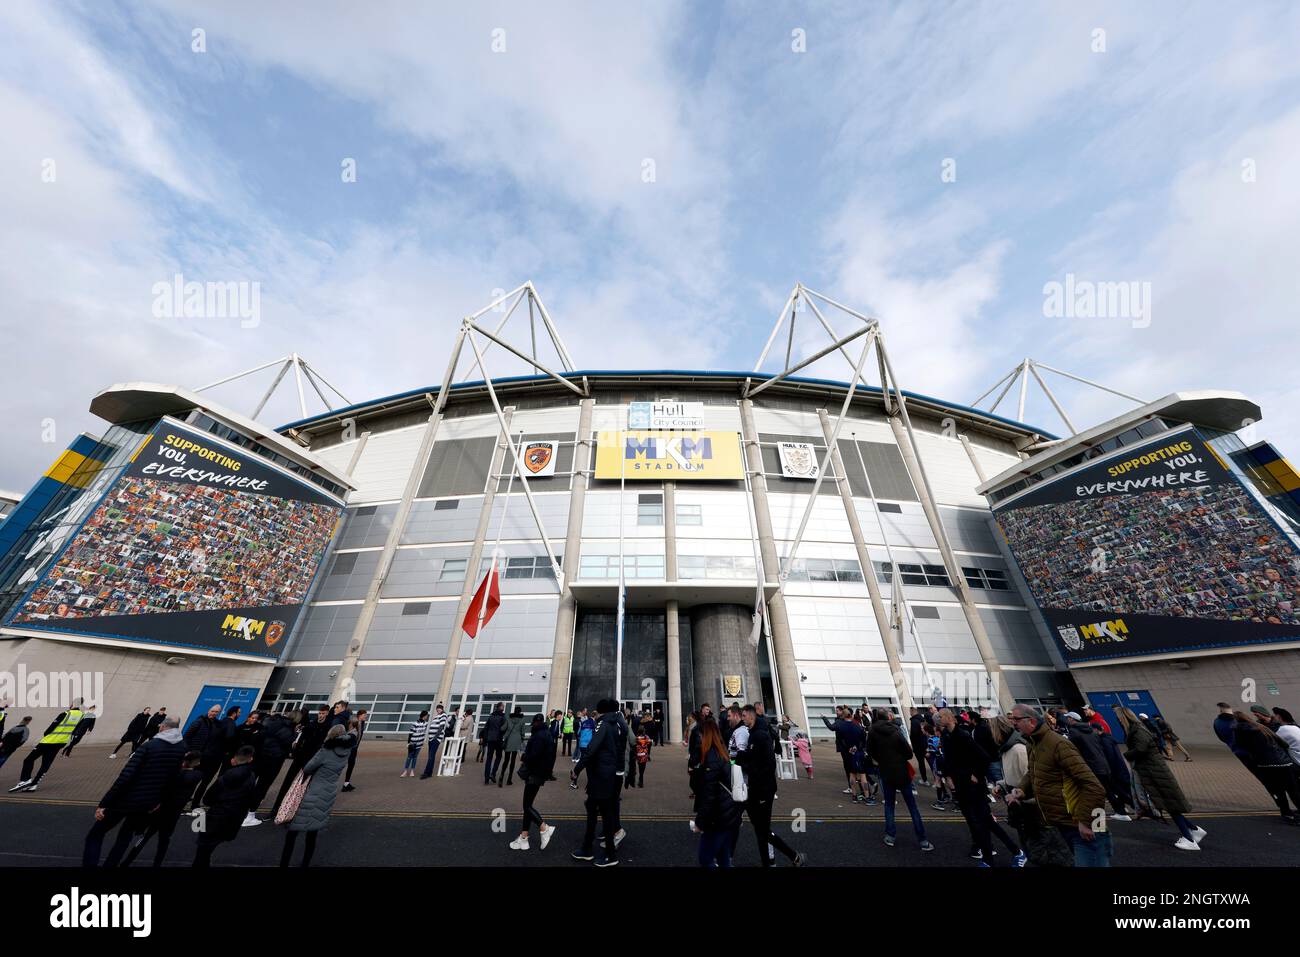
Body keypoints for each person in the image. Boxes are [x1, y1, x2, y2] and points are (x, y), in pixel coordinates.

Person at [1008, 703, 1109, 867]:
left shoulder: (1058, 744)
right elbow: (1034, 772)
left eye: (1016, 719)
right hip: (1057, 821)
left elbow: (1093, 785)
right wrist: (1022, 790)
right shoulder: (1032, 743)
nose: (1013, 723)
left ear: (1031, 721)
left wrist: (1086, 820)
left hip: (1075, 822)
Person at [83, 715, 187, 867]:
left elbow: (126, 776)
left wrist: (105, 803)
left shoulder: (150, 746)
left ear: (164, 726)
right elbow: (173, 779)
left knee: (95, 835)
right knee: (124, 838)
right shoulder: (181, 748)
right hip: (146, 803)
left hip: (125, 799)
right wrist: (158, 801)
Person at [937, 708, 1023, 866]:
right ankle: (1009, 853)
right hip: (960, 786)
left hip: (972, 787)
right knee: (981, 822)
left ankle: (997, 857)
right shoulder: (946, 736)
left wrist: (975, 774)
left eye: (941, 716)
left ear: (949, 717)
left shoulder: (962, 735)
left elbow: (984, 757)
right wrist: (948, 777)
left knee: (981, 822)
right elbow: (949, 760)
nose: (938, 718)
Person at [1114, 706, 1204, 850]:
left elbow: (1141, 749)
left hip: (1155, 772)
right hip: (1153, 770)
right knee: (1169, 803)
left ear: (1124, 718)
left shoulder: (1138, 731)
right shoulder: (1137, 729)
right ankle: (1194, 830)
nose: (1118, 721)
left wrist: (1126, 755)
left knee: (1170, 804)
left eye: (1118, 718)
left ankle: (1189, 840)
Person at [736, 704, 806, 866]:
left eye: (744, 715)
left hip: (762, 790)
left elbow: (766, 764)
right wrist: (743, 757)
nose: (743, 718)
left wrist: (745, 762)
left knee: (762, 830)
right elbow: (755, 757)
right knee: (761, 829)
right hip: (756, 788)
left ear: (752, 716)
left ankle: (793, 856)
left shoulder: (760, 735)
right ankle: (775, 861)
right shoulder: (754, 733)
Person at [280, 723, 356, 867]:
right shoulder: (346, 751)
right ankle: (305, 864)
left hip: (312, 792)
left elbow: (308, 768)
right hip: (328, 793)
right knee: (312, 833)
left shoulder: (325, 750)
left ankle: (283, 864)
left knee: (292, 833)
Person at [122, 749, 203, 867]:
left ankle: (127, 861)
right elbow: (199, 769)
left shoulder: (174, 774)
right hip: (173, 814)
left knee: (145, 837)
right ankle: (157, 863)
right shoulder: (197, 776)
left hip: (160, 811)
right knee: (164, 841)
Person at [869, 707, 934, 852]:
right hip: (901, 772)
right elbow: (909, 753)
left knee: (889, 805)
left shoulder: (873, 731)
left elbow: (870, 750)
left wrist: (879, 760)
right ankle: (922, 840)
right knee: (912, 807)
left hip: (886, 772)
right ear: (889, 717)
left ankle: (890, 836)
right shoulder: (895, 731)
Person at [571, 699, 622, 867]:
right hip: (607, 774)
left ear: (601, 711)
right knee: (592, 808)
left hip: (602, 776)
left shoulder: (603, 724)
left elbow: (592, 748)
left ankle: (610, 854)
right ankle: (587, 848)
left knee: (605, 814)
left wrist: (577, 768)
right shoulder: (616, 723)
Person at [192, 746, 257, 867]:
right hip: (234, 819)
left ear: (233, 760)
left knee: (202, 850)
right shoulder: (252, 777)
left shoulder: (226, 776)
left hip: (216, 817)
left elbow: (207, 799)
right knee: (210, 848)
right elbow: (251, 799)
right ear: (250, 759)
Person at [690, 716, 741, 868]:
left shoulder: (712, 758)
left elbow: (709, 795)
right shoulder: (722, 752)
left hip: (718, 817)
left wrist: (700, 822)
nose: (699, 738)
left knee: (705, 858)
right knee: (724, 858)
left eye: (700, 735)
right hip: (728, 814)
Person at [1233, 708, 1300, 821]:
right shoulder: (1262, 728)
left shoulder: (1239, 731)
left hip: (1266, 765)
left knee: (1278, 791)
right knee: (1293, 790)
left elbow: (1243, 747)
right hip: (1284, 763)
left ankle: (1286, 813)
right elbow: (1283, 743)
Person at [8, 700, 84, 792]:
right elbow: (77, 730)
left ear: (73, 704)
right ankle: (34, 785)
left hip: (48, 741)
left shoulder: (65, 714)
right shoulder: (81, 716)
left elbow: (52, 727)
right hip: (60, 742)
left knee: (29, 760)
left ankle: (25, 780)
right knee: (45, 764)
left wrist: (46, 734)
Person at [510, 713, 558, 851]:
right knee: (528, 805)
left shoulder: (538, 736)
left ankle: (544, 827)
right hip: (541, 773)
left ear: (535, 724)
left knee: (527, 806)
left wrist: (523, 756)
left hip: (535, 773)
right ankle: (524, 837)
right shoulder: (548, 734)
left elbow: (534, 756)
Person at [272, 706, 330, 815]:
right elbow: (301, 739)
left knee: (303, 786)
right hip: (300, 757)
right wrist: (295, 752)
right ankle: (276, 807)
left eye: (323, 713)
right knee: (288, 781)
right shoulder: (310, 725)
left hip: (312, 760)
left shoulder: (327, 727)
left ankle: (293, 811)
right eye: (320, 713)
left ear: (327, 714)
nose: (321, 715)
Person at [249, 709, 296, 822]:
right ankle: (250, 814)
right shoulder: (289, 729)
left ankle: (240, 808)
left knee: (250, 782)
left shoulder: (270, 721)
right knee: (262, 786)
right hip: (273, 760)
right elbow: (287, 745)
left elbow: (260, 736)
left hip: (260, 756)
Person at [183, 704, 230, 808]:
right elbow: (187, 737)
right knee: (193, 781)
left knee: (204, 783)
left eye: (216, 712)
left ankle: (195, 804)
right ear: (209, 710)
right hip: (198, 757)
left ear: (219, 713)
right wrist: (189, 752)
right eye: (212, 711)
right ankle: (184, 800)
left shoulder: (218, 724)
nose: (213, 713)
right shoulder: (199, 722)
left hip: (210, 758)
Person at [342, 708, 369, 789]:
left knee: (351, 764)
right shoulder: (354, 722)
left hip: (355, 747)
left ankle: (346, 783)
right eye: (364, 715)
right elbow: (349, 733)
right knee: (343, 764)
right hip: (350, 747)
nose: (366, 717)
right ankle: (344, 783)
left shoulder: (362, 722)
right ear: (360, 715)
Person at [500, 705, 526, 787]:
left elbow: (502, 729)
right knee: (513, 760)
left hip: (509, 740)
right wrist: (522, 737)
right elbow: (522, 732)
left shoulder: (508, 718)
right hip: (517, 741)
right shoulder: (522, 720)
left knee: (506, 760)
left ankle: (501, 776)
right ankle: (509, 779)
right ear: (520, 711)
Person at [483, 703, 508, 784]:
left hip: (490, 740)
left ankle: (486, 778)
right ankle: (493, 773)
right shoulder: (503, 717)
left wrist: (485, 738)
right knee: (499, 756)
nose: (503, 708)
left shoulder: (491, 716)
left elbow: (486, 728)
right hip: (498, 739)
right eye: (503, 706)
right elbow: (504, 728)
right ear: (500, 707)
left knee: (489, 758)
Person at [402, 710, 429, 777]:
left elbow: (424, 733)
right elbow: (410, 733)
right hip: (412, 743)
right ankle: (405, 771)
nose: (427, 717)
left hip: (419, 743)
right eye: (426, 716)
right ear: (424, 716)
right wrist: (408, 743)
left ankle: (412, 771)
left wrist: (422, 742)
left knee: (415, 757)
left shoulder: (426, 724)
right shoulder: (415, 723)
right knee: (409, 757)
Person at [909, 707, 930, 785]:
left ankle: (925, 780)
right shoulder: (923, 720)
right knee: (931, 762)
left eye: (910, 711)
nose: (910, 713)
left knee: (921, 763)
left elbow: (914, 734)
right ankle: (939, 779)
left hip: (918, 746)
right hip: (925, 744)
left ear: (912, 711)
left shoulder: (914, 721)